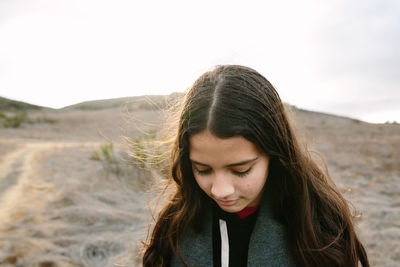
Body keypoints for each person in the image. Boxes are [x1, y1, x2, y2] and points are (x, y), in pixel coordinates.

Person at [142, 65, 369, 266]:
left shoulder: (317, 230)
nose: (220, 191)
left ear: (275, 154)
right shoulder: (176, 225)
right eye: (202, 169)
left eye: (241, 170)